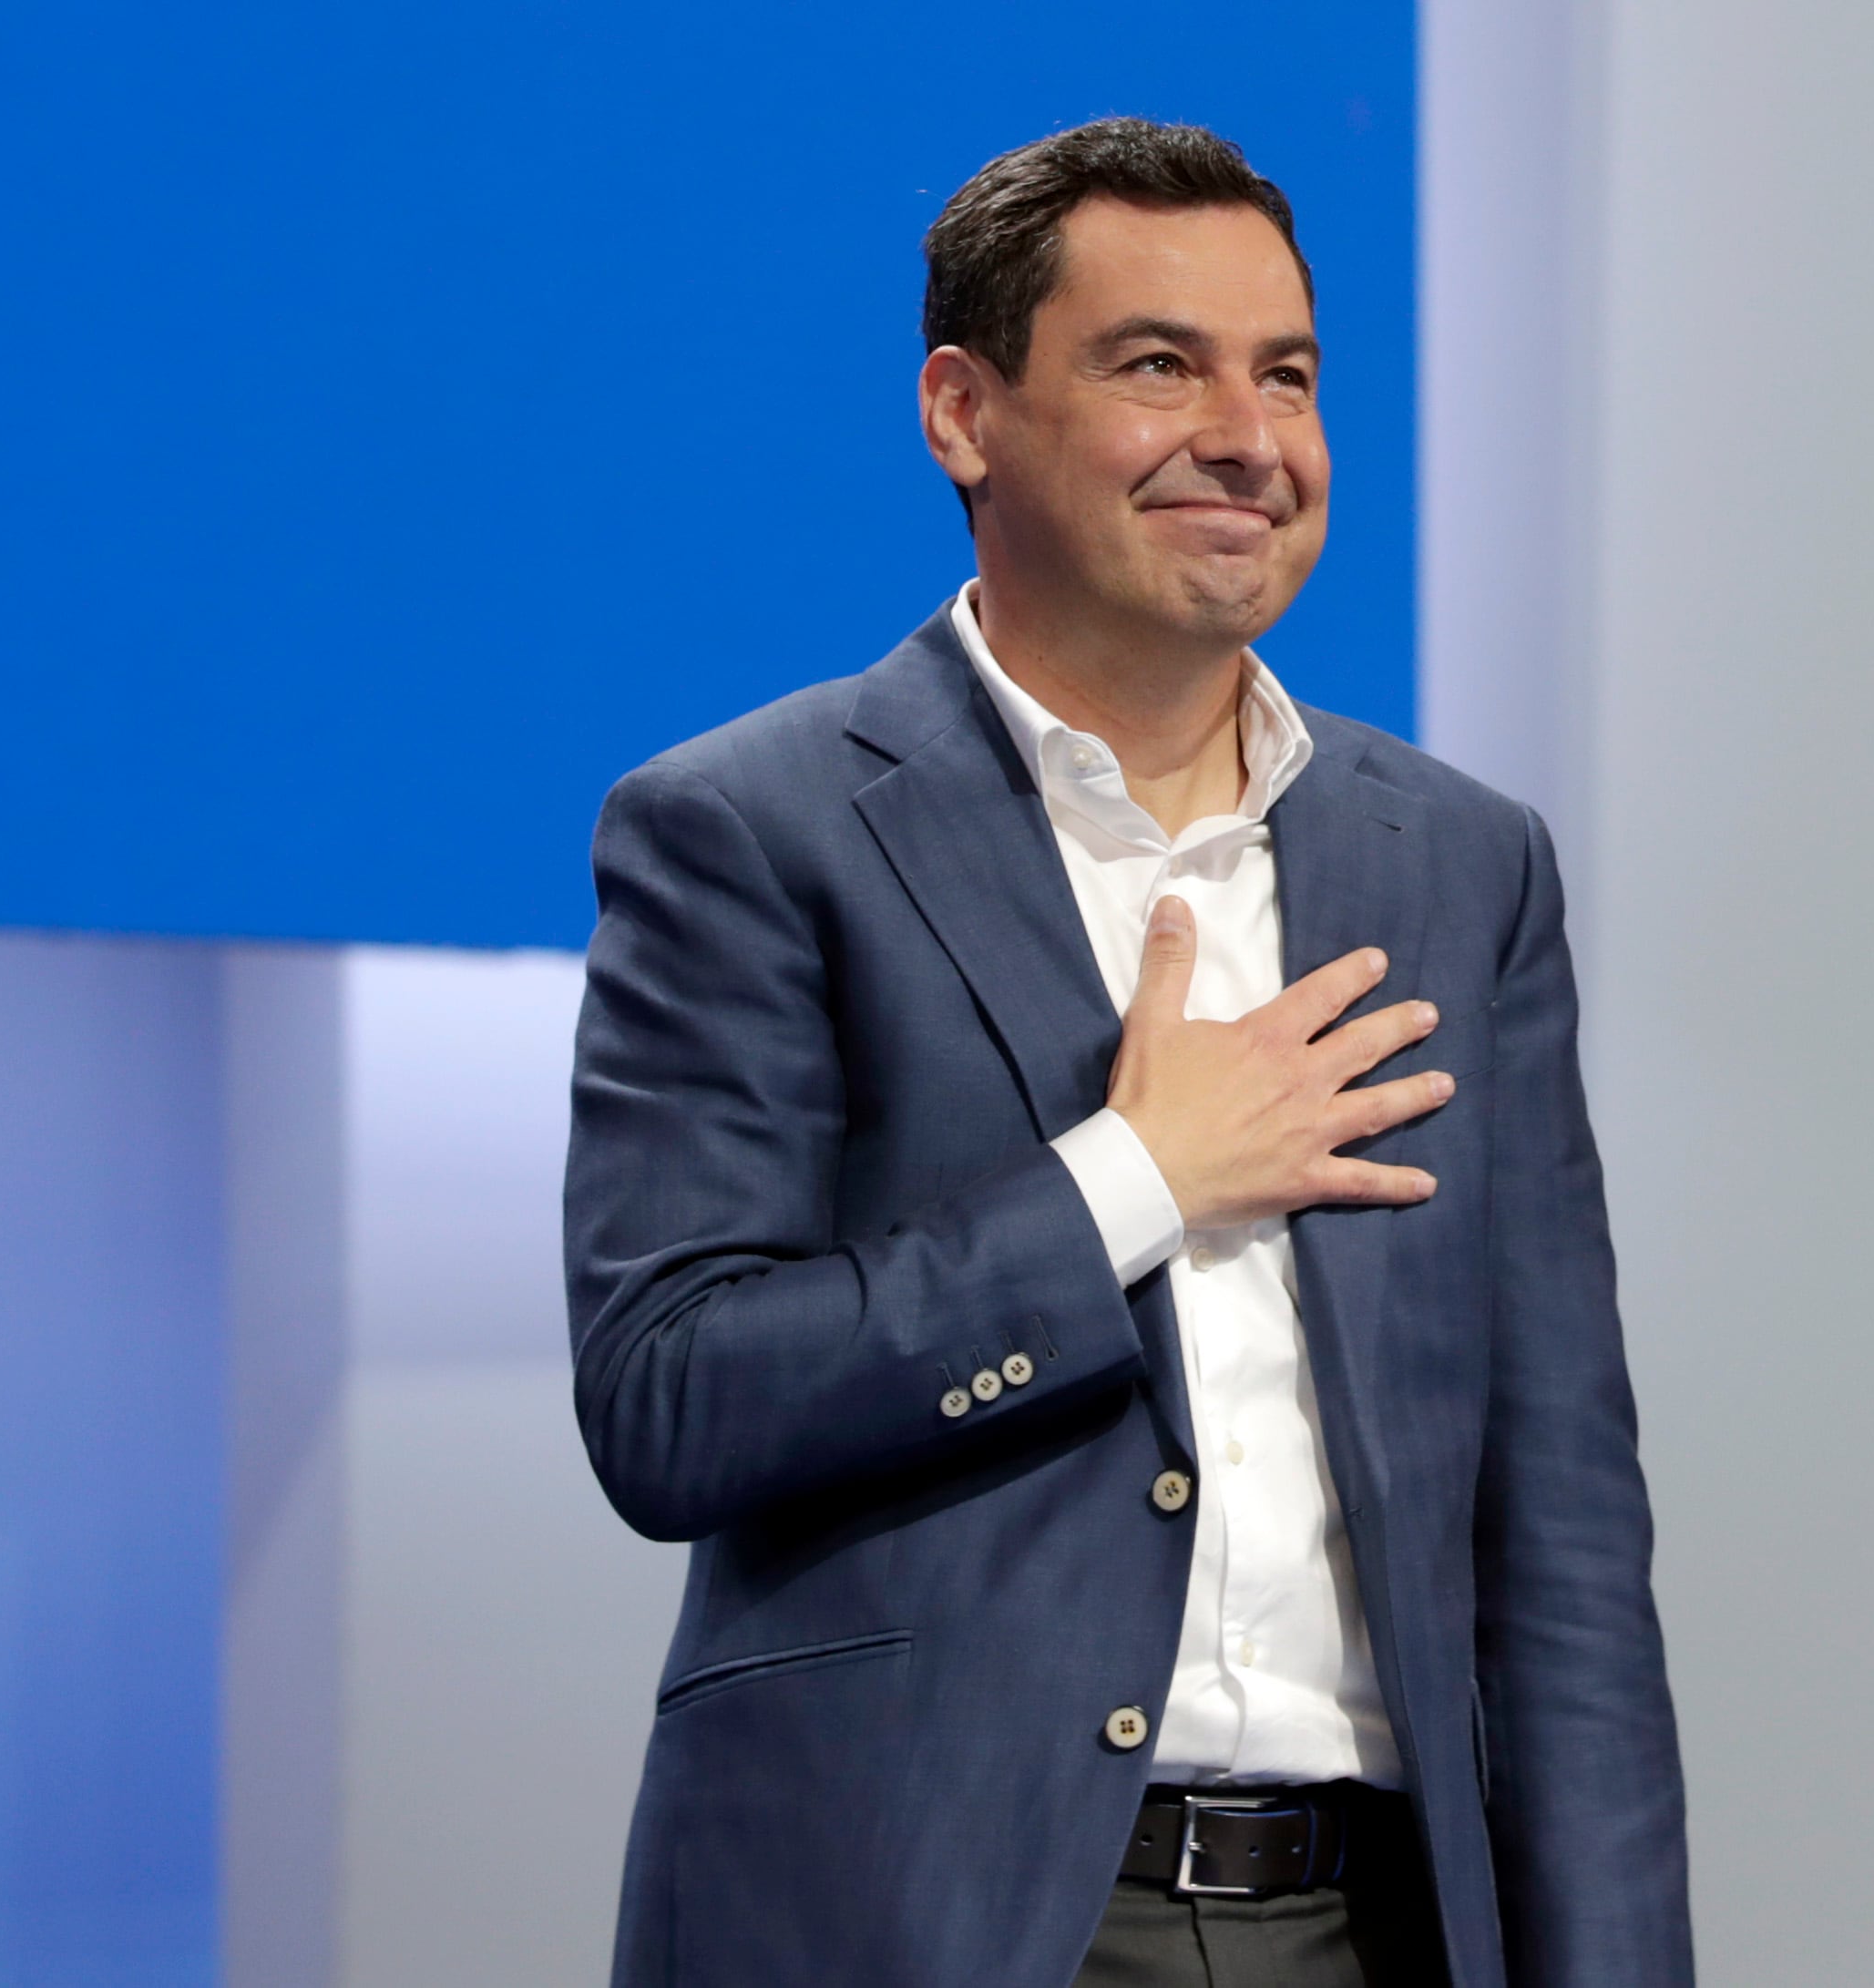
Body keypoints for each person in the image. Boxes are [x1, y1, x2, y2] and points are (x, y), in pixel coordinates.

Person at [564, 118, 1687, 1988]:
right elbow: (671, 1395)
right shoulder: (748, 829)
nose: (1247, 437)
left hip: (1373, 1919)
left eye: (1288, 376)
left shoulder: (1459, 863)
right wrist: (1134, 1179)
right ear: (961, 413)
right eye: (1157, 364)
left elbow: (1559, 1526)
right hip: (928, 1915)